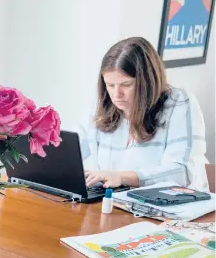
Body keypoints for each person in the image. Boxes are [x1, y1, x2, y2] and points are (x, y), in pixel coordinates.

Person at [76, 37, 209, 190]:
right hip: (119, 205)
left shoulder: (179, 104)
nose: (116, 94)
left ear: (147, 82)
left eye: (126, 85)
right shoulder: (102, 103)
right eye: (110, 85)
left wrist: (122, 177)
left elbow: (183, 172)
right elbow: (75, 148)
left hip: (168, 208)